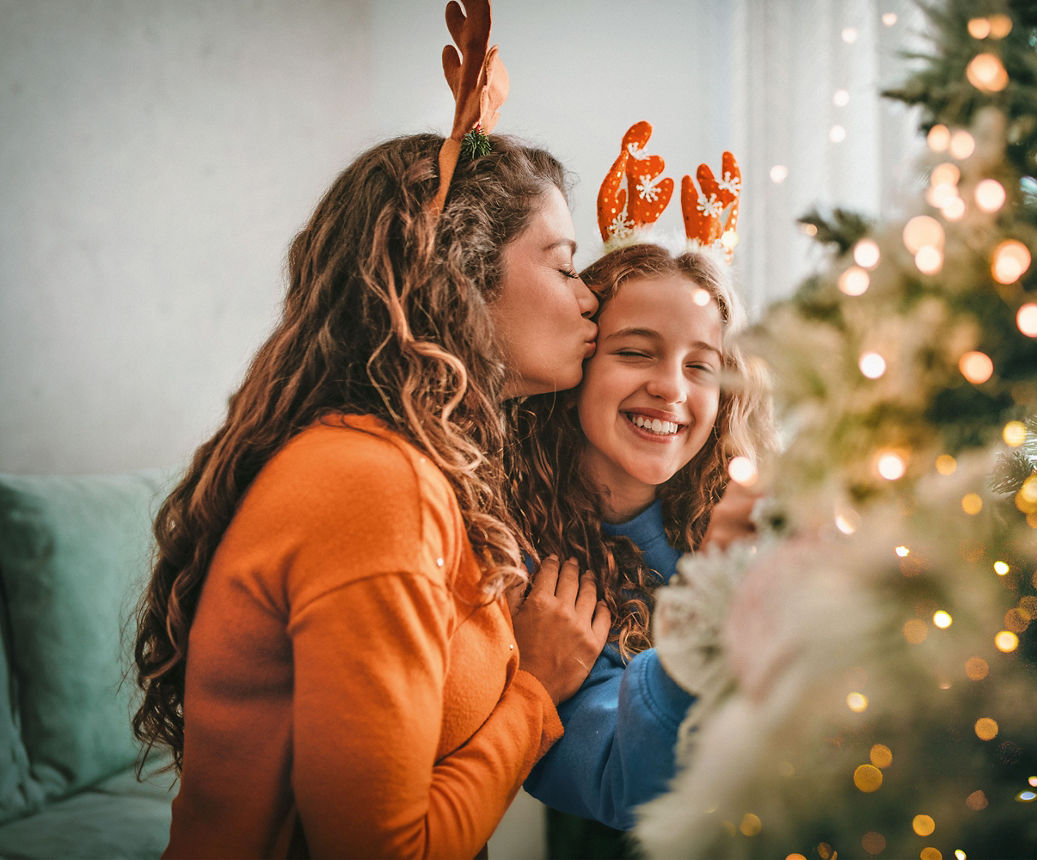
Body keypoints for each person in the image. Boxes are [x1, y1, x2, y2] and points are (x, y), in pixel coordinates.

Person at [130, 126, 614, 859]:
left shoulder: (410, 466)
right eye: (565, 266)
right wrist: (536, 692)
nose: (590, 302)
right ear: (461, 271)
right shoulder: (376, 485)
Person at [508, 241, 774, 838]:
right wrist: (705, 619)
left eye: (699, 365)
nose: (671, 389)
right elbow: (620, 780)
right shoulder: (526, 575)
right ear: (575, 365)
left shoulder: (747, 520)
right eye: (634, 352)